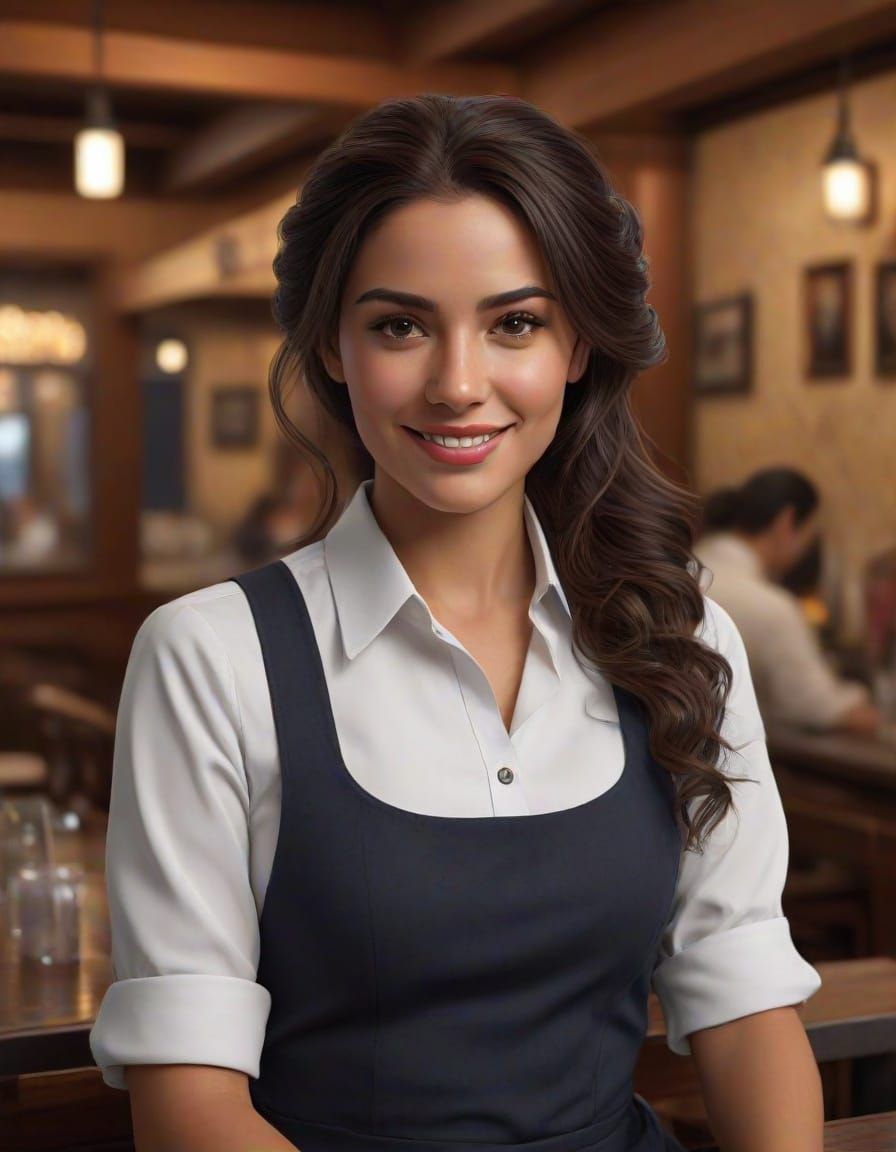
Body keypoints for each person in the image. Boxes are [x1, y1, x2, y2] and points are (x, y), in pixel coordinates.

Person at [89, 95, 824, 1152]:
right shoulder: (209, 656)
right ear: (331, 347)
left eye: (514, 323)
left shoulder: (685, 637)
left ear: (577, 346)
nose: (458, 385)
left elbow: (746, 1007)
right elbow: (188, 1105)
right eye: (399, 325)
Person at [696, 468, 881, 735]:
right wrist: (863, 703)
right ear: (786, 522)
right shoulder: (770, 608)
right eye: (808, 535)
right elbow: (820, 707)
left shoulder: (682, 572)